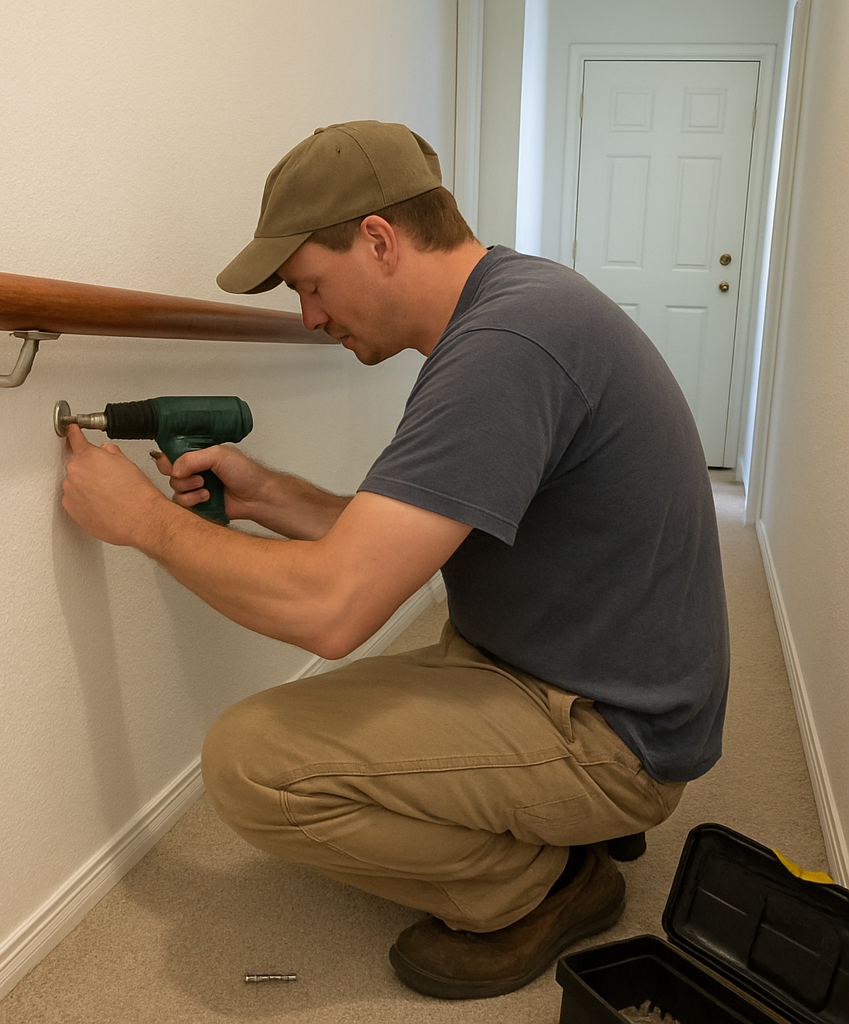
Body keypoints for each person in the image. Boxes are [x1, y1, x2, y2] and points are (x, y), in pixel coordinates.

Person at [61, 120, 729, 999]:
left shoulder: (505, 350)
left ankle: (547, 884)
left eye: (309, 284)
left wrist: (143, 522)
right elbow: (423, 528)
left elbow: (333, 614)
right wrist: (268, 496)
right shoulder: (515, 307)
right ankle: (546, 830)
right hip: (563, 667)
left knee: (249, 762)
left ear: (378, 239)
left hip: (614, 734)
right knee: (324, 716)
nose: (309, 317)